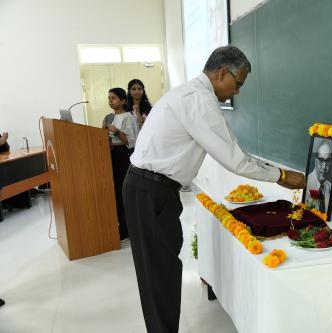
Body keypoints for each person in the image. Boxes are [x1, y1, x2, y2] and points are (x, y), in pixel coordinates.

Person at [122, 45, 306, 333]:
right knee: (159, 276)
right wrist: (282, 175)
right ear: (222, 73)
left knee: (160, 273)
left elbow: (230, 150)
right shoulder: (199, 100)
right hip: (150, 190)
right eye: (239, 83)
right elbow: (235, 159)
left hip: (149, 188)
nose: (238, 91)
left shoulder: (190, 94)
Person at [105, 87, 139, 241]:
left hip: (123, 157)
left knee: (122, 193)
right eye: (109, 98)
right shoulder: (109, 117)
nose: (110, 101)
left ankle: (127, 230)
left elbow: (130, 142)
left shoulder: (128, 117)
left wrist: (116, 131)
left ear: (123, 100)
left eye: (114, 98)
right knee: (115, 194)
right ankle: (120, 226)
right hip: (111, 155)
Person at [305, 140, 332, 212]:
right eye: (321, 160)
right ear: (315, 160)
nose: (324, 166)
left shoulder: (330, 187)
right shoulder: (305, 184)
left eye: (328, 161)